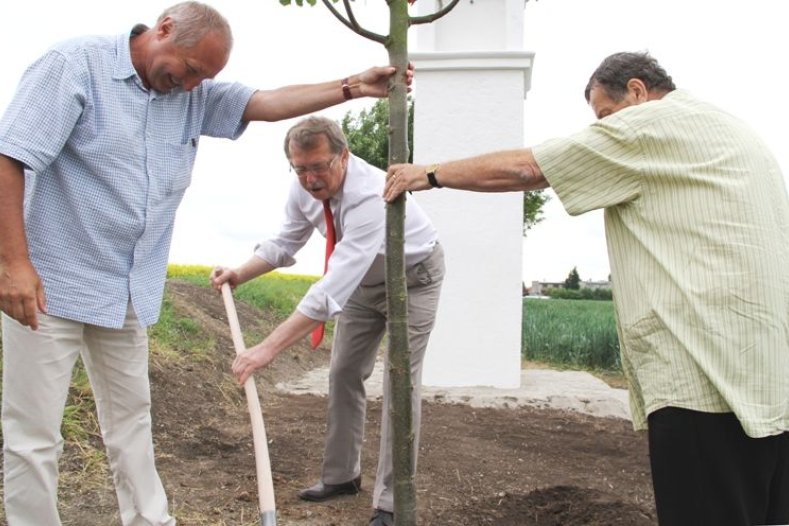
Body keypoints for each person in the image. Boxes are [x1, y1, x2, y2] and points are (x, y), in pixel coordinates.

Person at [0, 2, 411, 524]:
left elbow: (266, 102)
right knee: (34, 433)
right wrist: (13, 263)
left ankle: (151, 521)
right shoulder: (74, 66)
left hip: (128, 288)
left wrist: (351, 86)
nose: (194, 85)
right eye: (192, 69)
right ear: (164, 29)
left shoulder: (188, 95)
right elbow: (10, 156)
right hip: (50, 283)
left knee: (131, 421)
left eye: (206, 78)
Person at [384, 51, 789, 526]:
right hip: (769, 381)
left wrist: (428, 174)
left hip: (704, 377)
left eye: (605, 118)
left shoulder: (651, 125)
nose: (604, 131)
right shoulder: (734, 132)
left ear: (637, 91)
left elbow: (526, 169)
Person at [210, 115, 444, 526]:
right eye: (300, 168)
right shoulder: (302, 190)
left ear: (344, 156)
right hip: (361, 283)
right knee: (343, 372)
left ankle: (390, 504)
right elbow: (286, 241)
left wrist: (266, 349)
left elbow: (329, 290)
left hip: (412, 278)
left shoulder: (372, 195)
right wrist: (239, 273)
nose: (310, 178)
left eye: (319, 166)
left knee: (399, 381)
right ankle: (341, 477)